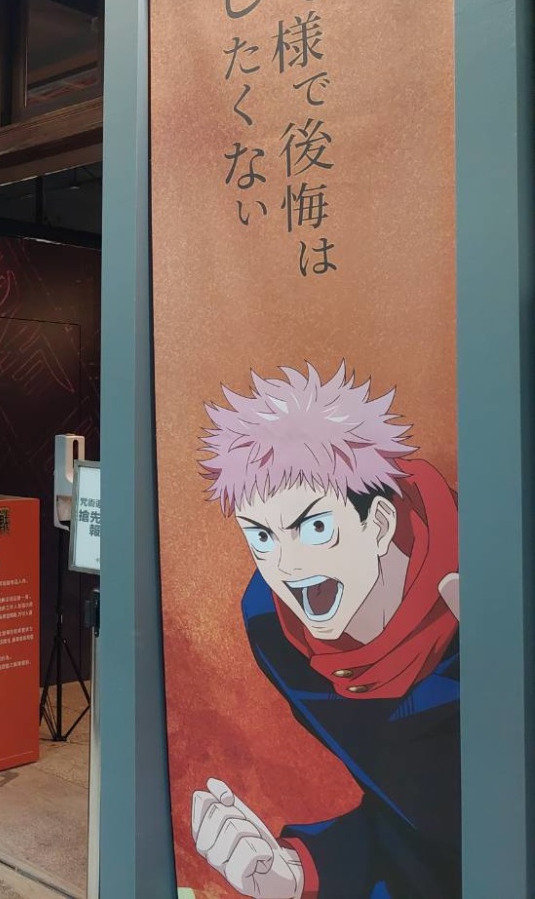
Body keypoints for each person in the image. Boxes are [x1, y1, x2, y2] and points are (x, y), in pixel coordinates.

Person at [190, 365, 459, 899]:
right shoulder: (273, 628)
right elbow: (414, 816)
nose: (287, 566)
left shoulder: (488, 576)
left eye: (315, 527)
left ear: (378, 525)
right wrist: (297, 870)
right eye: (261, 537)